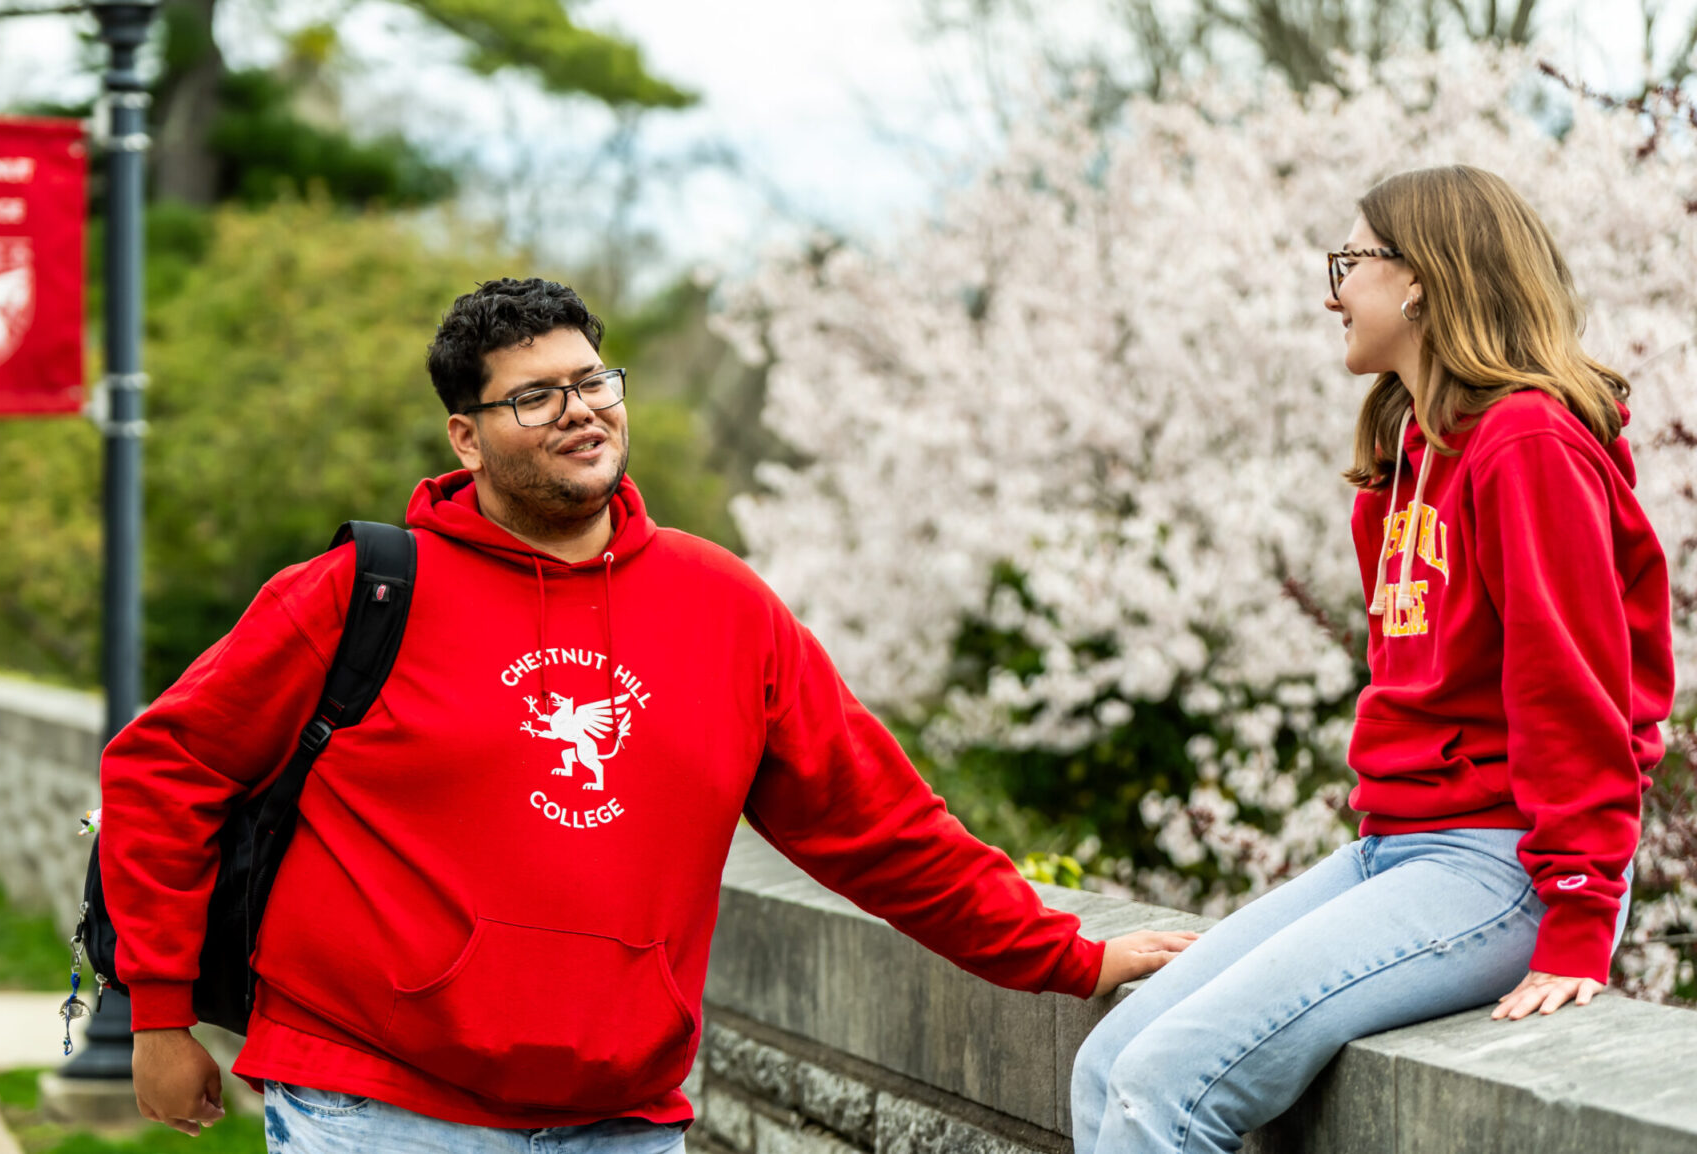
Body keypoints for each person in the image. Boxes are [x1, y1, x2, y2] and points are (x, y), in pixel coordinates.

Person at [102, 277, 1197, 1152]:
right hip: (376, 1101)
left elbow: (879, 825)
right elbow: (162, 768)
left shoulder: (724, 607)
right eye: (534, 394)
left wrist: (1063, 953)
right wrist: (157, 1015)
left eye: (592, 378)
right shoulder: (358, 593)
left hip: (623, 1114)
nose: (579, 408)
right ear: (465, 438)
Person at [1069, 165, 1674, 1153]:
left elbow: (1570, 687)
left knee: (1162, 1086)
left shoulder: (1525, 441)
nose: (1329, 290)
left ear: (1421, 278)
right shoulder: (1405, 461)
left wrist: (1575, 917)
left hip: (1503, 863)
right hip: (1394, 847)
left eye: (1348, 261)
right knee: (1107, 1063)